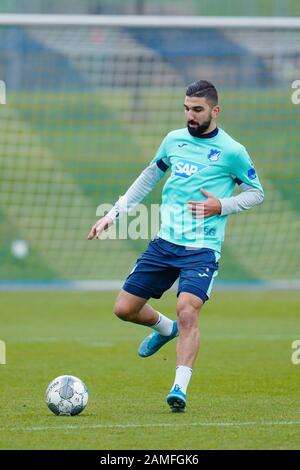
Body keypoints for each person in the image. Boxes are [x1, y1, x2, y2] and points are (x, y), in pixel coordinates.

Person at [87, 80, 264, 412]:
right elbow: (148, 178)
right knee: (124, 309)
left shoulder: (232, 151)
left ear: (215, 111)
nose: (190, 116)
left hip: (202, 248)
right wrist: (113, 215)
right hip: (165, 243)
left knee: (187, 310)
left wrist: (222, 205)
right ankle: (163, 328)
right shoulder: (173, 140)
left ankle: (178, 389)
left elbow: (256, 192)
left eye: (197, 110)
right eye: (186, 108)